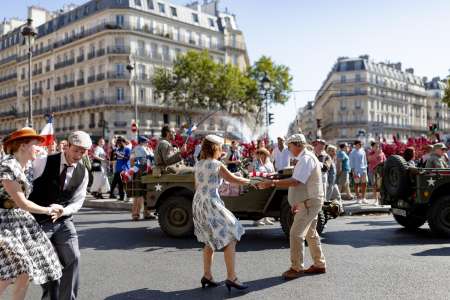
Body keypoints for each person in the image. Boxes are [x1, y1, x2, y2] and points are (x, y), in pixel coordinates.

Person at [0, 128, 63, 300]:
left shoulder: (25, 166)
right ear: (23, 146)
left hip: (20, 222)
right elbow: (21, 202)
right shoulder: (7, 166)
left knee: (24, 272)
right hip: (4, 222)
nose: (40, 149)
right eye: (36, 145)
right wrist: (48, 209)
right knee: (11, 271)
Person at [29, 131, 92, 300]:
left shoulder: (83, 172)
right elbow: (24, 186)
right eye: (76, 150)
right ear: (67, 146)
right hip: (38, 221)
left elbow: (78, 201)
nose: (79, 155)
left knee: (74, 258)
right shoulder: (43, 162)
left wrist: (63, 211)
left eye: (83, 151)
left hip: (64, 220)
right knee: (49, 269)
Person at [257, 134, 326, 279]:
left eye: (290, 146)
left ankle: (296, 268)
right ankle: (319, 264)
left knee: (295, 234)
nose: (289, 149)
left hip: (309, 202)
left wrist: (272, 183)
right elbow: (301, 183)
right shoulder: (306, 158)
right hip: (309, 201)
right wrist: (297, 201)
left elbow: (295, 182)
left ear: (298, 145)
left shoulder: (306, 159)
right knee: (310, 233)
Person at [193, 135, 250, 291]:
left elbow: (198, 185)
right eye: (221, 148)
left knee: (208, 240)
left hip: (198, 203)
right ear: (216, 148)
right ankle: (232, 277)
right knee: (232, 234)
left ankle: (207, 275)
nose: (223, 151)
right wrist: (251, 180)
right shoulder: (217, 164)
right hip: (211, 203)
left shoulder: (198, 164)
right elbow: (233, 180)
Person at [129, 136, 155, 220]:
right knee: (139, 194)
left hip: (145, 172)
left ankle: (146, 213)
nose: (147, 143)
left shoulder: (147, 149)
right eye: (146, 142)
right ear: (142, 142)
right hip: (140, 173)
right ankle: (136, 214)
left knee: (146, 193)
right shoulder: (137, 149)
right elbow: (132, 161)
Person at [251, 148, 276, 226]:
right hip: (259, 183)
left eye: (261, 153)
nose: (259, 155)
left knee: (266, 200)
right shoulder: (256, 163)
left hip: (268, 183)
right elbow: (253, 173)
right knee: (258, 201)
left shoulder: (269, 163)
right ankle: (257, 220)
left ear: (265, 154)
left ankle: (266, 218)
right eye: (258, 153)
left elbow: (273, 172)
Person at [109, 136, 130, 201]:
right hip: (118, 169)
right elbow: (113, 158)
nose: (118, 144)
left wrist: (119, 155)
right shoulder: (117, 149)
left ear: (123, 142)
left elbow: (128, 158)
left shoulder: (127, 149)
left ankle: (123, 196)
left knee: (121, 183)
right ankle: (119, 196)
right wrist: (114, 155)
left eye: (120, 143)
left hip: (124, 169)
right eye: (118, 143)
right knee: (116, 183)